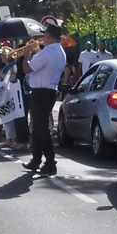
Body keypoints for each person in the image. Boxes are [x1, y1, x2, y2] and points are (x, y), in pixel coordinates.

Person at [20, 16, 67, 175]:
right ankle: (37, 160)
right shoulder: (59, 51)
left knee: (40, 129)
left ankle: (49, 161)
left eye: (44, 35)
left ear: (49, 36)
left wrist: (26, 54)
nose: (42, 38)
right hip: (50, 91)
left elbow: (27, 69)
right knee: (39, 128)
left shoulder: (47, 52)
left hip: (40, 93)